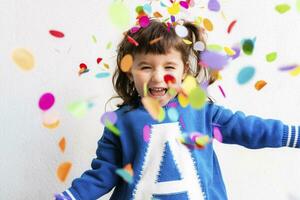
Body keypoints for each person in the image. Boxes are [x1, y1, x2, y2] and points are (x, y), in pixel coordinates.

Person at [55, 19, 299, 200]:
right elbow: (103, 173)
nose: (158, 77)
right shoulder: (120, 123)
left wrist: (294, 135)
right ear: (130, 72)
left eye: (169, 67)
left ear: (184, 73)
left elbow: (251, 129)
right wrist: (71, 196)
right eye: (146, 67)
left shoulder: (202, 112)